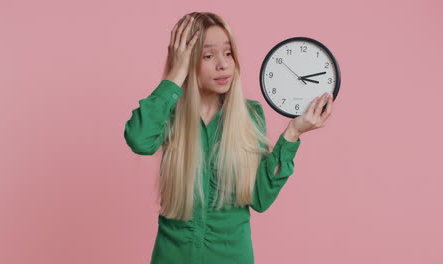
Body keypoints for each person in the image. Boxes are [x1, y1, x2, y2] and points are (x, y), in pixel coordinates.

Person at [124, 11, 333, 264]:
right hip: (172, 255)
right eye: (208, 56)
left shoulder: (249, 115)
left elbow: (260, 198)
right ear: (187, 60)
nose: (223, 65)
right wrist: (176, 75)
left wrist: (293, 133)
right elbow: (139, 140)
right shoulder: (168, 112)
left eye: (228, 53)